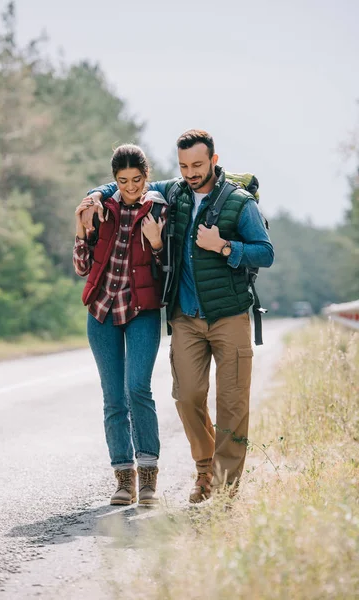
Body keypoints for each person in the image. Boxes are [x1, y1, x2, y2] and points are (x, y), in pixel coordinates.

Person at [81, 130, 274, 503]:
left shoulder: (239, 202)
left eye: (198, 165)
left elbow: (265, 252)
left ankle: (224, 487)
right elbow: (129, 184)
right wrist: (96, 194)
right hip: (185, 316)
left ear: (214, 161)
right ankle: (205, 468)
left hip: (229, 315)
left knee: (232, 402)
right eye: (184, 166)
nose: (190, 172)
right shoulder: (175, 192)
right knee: (186, 396)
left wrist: (223, 246)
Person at [73, 144, 167, 506]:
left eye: (137, 179)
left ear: (147, 176)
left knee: (138, 389)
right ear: (114, 179)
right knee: (113, 399)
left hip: (142, 311)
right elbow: (82, 267)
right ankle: (123, 479)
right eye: (123, 180)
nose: (130, 187)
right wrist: (81, 231)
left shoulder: (160, 208)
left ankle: (148, 479)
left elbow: (168, 269)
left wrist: (157, 244)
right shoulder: (101, 209)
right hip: (101, 313)